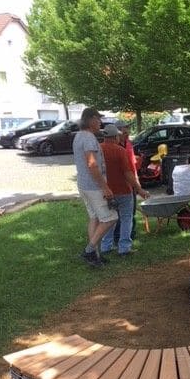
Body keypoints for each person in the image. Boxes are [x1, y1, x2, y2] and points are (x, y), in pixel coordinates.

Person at [73, 107, 118, 267]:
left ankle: (95, 256)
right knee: (111, 218)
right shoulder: (89, 138)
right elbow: (92, 165)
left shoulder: (78, 136)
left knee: (94, 218)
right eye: (98, 119)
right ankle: (89, 250)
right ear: (91, 119)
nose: (100, 122)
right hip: (93, 187)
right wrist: (105, 188)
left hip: (83, 185)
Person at [99, 124, 149, 256]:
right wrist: (139, 189)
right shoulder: (120, 150)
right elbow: (128, 173)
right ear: (115, 136)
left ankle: (105, 246)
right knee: (126, 218)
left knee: (109, 218)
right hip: (123, 190)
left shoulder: (98, 150)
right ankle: (124, 248)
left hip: (107, 191)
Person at [113, 120, 138, 243]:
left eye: (128, 130)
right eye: (124, 131)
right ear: (117, 132)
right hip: (119, 184)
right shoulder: (115, 147)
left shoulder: (128, 144)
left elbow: (132, 164)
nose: (127, 133)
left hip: (131, 182)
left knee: (131, 210)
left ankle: (131, 234)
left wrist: (137, 182)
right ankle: (117, 237)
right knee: (118, 214)